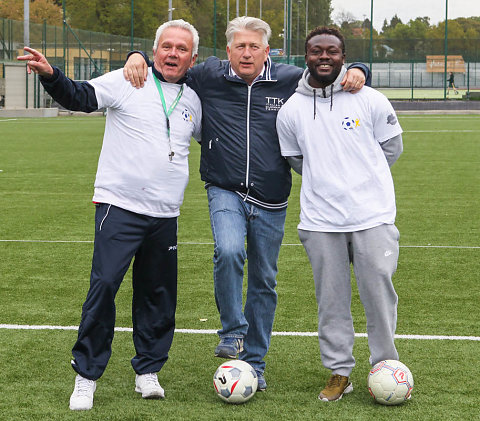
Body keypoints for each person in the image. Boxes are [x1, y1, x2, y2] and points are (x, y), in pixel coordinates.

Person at [123, 16, 371, 391]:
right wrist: (136, 55)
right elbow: (171, 63)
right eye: (240, 46)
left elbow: (327, 70)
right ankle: (232, 331)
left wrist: (358, 68)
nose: (247, 52)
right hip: (224, 187)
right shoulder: (208, 75)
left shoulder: (290, 80)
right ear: (228, 50)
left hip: (272, 196)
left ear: (267, 51)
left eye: (254, 46)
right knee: (227, 251)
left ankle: (255, 361)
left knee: (264, 280)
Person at [17, 19, 202, 410]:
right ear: (154, 52)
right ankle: (86, 376)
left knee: (158, 295)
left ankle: (147, 371)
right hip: (119, 207)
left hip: (165, 214)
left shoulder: (193, 99)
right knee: (103, 288)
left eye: (181, 49)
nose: (172, 53)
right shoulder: (128, 79)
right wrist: (52, 75)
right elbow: (79, 97)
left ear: (193, 58)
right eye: (166, 46)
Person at [276, 27, 403, 402]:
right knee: (331, 301)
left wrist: (362, 178)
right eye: (317, 51)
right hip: (320, 222)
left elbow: (392, 148)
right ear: (306, 57)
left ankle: (385, 366)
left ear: (344, 56)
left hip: (373, 216)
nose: (325, 57)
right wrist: (329, 179)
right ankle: (339, 372)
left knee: (379, 293)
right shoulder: (291, 110)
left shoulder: (370, 99)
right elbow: (296, 159)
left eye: (332, 51)